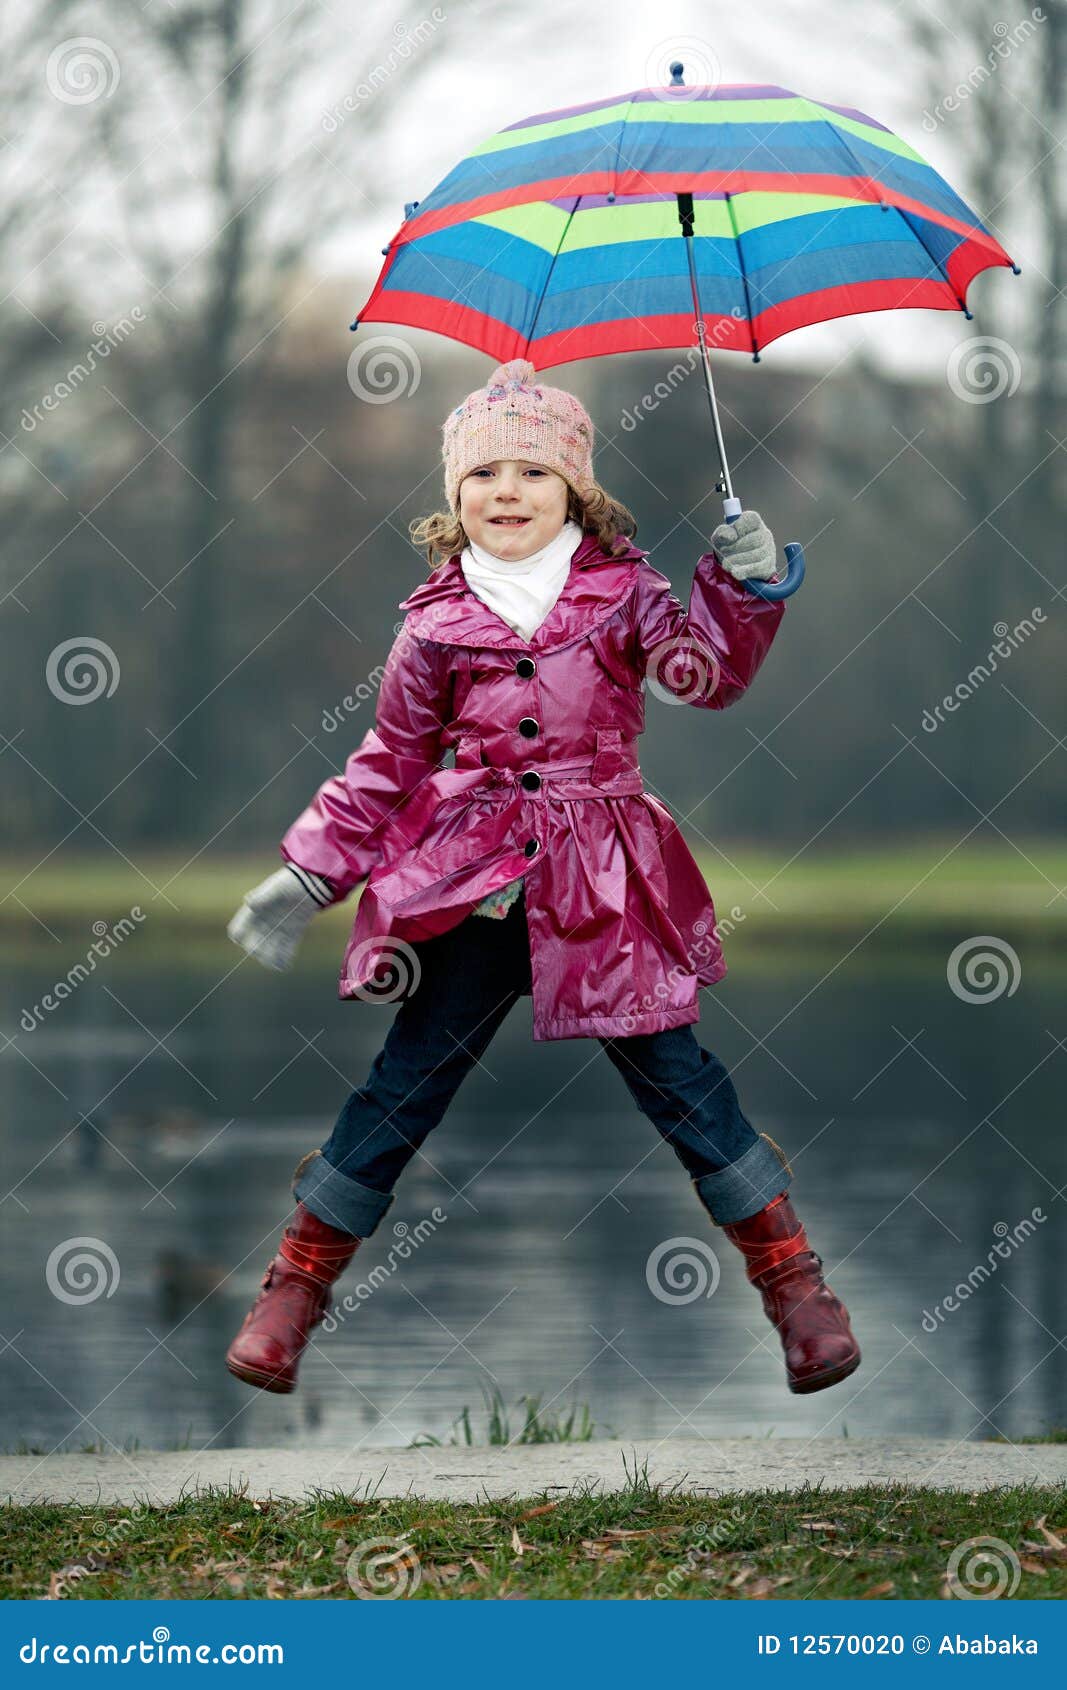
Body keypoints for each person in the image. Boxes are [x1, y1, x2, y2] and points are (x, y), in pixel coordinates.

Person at [224, 358, 860, 1399]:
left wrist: (740, 586)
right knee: (404, 1085)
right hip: (467, 886)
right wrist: (306, 874)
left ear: (575, 491)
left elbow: (707, 673)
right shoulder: (430, 624)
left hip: (603, 888)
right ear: (453, 495)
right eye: (482, 474)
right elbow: (386, 764)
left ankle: (796, 1291)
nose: (505, 491)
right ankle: (291, 1292)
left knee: (681, 1085)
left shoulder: (623, 596)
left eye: (531, 470)